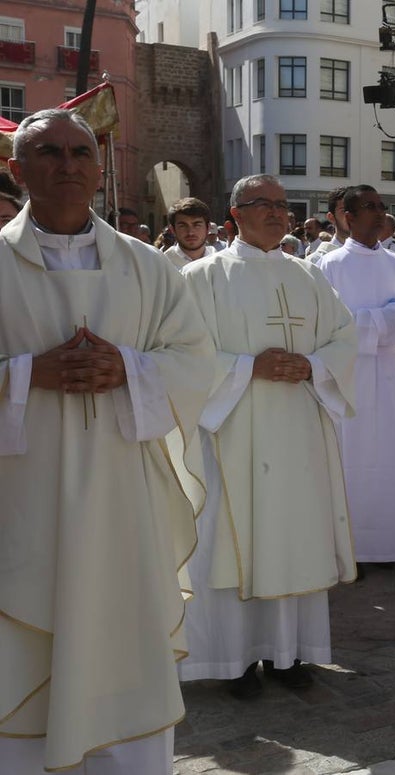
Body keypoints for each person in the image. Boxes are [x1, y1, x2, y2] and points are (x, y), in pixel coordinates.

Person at [0, 109, 214, 774]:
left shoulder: (150, 270)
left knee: (123, 637)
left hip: (126, 501)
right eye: (47, 152)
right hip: (20, 501)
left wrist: (130, 367)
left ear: (100, 170)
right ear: (16, 169)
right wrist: (28, 374)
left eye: (79, 152)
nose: (66, 164)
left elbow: (198, 361)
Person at [179, 174, 359, 698]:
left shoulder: (308, 276)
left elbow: (344, 337)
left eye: (283, 205)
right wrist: (243, 368)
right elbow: (180, 353)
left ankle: (287, 654)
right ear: (235, 213)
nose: (278, 213)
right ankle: (233, 660)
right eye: (264, 204)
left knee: (292, 536)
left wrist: (315, 365)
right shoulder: (203, 277)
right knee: (232, 541)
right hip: (231, 433)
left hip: (299, 432)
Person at [316, 185, 395, 568]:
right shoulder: (327, 266)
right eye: (369, 207)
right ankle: (349, 548)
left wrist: (365, 325)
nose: (379, 214)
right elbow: (328, 324)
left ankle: (386, 546)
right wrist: (384, 322)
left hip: (389, 373)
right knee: (350, 457)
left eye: (382, 206)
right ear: (347, 216)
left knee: (389, 455)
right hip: (346, 376)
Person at [164, 196, 215, 268]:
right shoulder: (163, 264)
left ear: (208, 228)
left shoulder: (220, 262)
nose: (190, 232)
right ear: (173, 230)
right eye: (183, 226)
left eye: (197, 225)